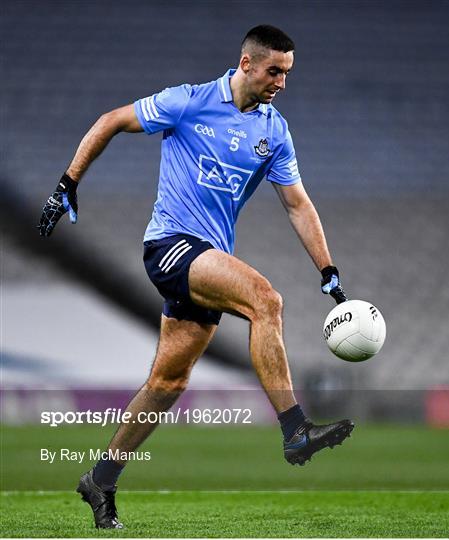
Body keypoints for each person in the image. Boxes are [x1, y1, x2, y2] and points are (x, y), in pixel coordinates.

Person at [38, 25, 354, 529]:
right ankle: (295, 429)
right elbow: (112, 120)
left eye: (287, 74)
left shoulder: (274, 132)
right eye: (274, 71)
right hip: (170, 245)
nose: (281, 83)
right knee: (264, 300)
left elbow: (297, 203)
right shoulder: (187, 101)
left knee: (168, 381)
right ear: (246, 64)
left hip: (207, 255)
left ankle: (101, 478)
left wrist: (329, 272)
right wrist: (67, 183)